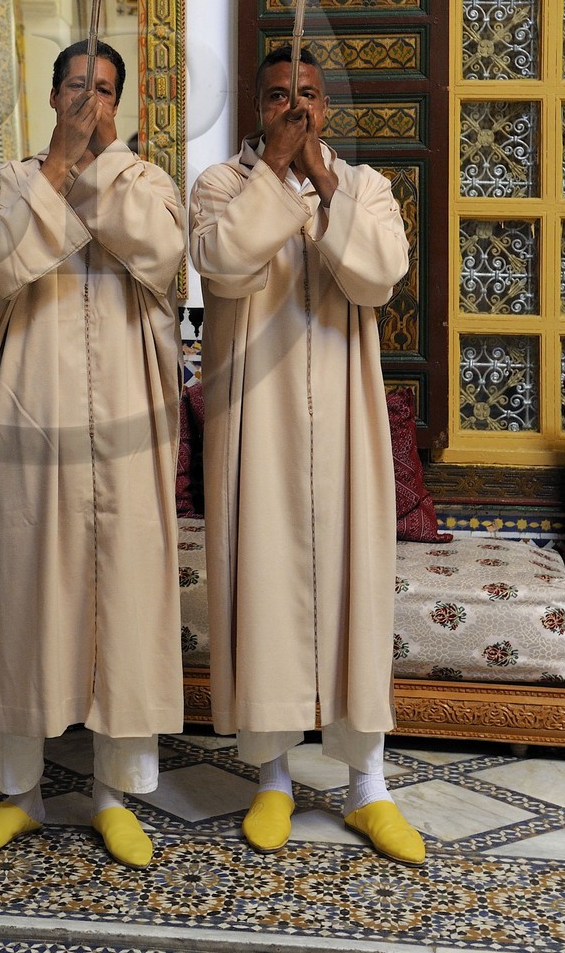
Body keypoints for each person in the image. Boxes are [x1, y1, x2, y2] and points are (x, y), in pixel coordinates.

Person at [189, 44, 425, 865]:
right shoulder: (222, 187)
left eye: (310, 96)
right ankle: (275, 780)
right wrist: (277, 175)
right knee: (266, 586)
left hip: (348, 425)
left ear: (328, 108)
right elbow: (223, 265)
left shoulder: (365, 189)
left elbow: (380, 277)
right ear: (257, 108)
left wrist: (324, 186)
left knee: (356, 588)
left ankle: (370, 788)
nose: (296, 107)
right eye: (279, 95)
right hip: (259, 422)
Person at [0, 40, 185, 870]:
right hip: (31, 420)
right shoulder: (16, 181)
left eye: (107, 90)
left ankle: (116, 795)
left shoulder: (147, 181)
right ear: (51, 94)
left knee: (125, 599)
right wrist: (58, 168)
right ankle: (19, 792)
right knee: (24, 595)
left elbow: (159, 258)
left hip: (128, 419)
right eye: (79, 87)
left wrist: (103, 167)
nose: (92, 101)